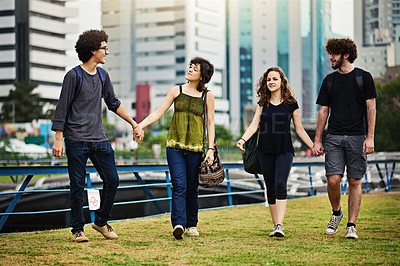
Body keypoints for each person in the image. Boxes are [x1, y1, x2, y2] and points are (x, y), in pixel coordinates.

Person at [51, 29, 144, 243]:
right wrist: (58, 138)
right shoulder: (73, 76)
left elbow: (113, 103)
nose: (107, 52)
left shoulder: (103, 75)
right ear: (93, 50)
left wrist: (133, 123)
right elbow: (62, 108)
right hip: (76, 140)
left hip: (99, 139)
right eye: (104, 48)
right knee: (77, 185)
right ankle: (77, 229)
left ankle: (101, 221)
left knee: (113, 179)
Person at [138, 57, 215, 240]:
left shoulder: (207, 96)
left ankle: (192, 224)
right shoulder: (176, 90)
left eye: (195, 68)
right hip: (174, 146)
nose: (190, 69)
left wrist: (211, 149)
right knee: (179, 185)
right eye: (190, 66)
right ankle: (178, 224)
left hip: (196, 148)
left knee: (191, 187)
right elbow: (158, 112)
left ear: (202, 75)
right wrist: (141, 125)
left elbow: (211, 123)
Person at [236, 66, 315, 238]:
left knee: (280, 184)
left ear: (282, 82)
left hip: (284, 150)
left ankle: (280, 225)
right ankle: (275, 225)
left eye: (275, 79)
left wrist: (313, 145)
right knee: (270, 187)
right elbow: (254, 124)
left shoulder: (291, 103)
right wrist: (243, 139)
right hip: (264, 150)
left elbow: (300, 130)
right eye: (268, 79)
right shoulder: (262, 103)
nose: (271, 82)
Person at [312, 38, 377, 239]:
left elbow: (371, 108)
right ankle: (336, 213)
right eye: (330, 53)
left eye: (334, 54)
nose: (330, 57)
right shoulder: (329, 81)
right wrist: (317, 140)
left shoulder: (363, 78)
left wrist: (370, 138)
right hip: (334, 137)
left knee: (354, 181)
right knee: (333, 179)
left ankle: (351, 225)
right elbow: (323, 111)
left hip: (358, 137)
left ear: (345, 55)